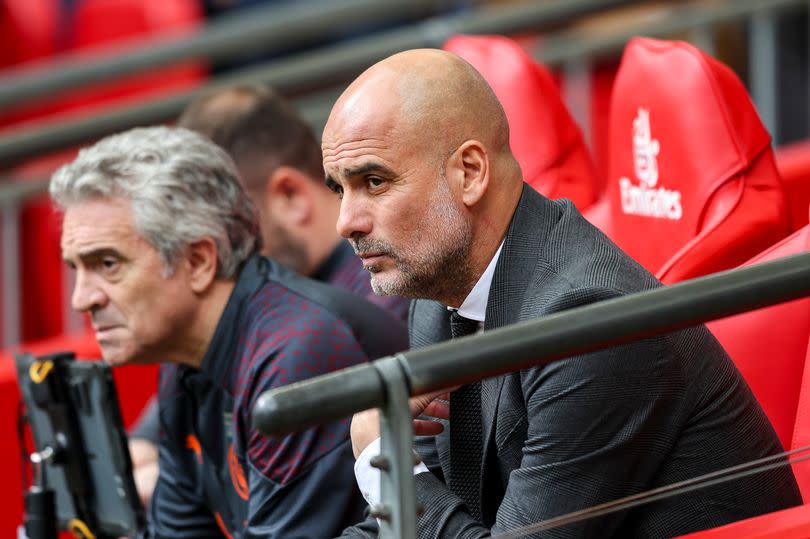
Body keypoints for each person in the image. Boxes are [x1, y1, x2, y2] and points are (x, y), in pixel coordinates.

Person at [322, 49, 803, 537]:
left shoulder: (590, 317)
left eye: (374, 181)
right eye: (340, 189)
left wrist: (388, 468)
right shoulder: (436, 293)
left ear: (469, 173)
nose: (346, 223)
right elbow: (426, 515)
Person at [50, 125, 409, 538]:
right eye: (75, 268)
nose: (82, 299)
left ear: (200, 261)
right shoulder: (184, 357)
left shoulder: (298, 352)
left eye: (107, 264)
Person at [126, 84, 411, 507]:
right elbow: (145, 449)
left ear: (290, 196)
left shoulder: (385, 288)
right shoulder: (244, 305)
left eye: (221, 224)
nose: (203, 253)